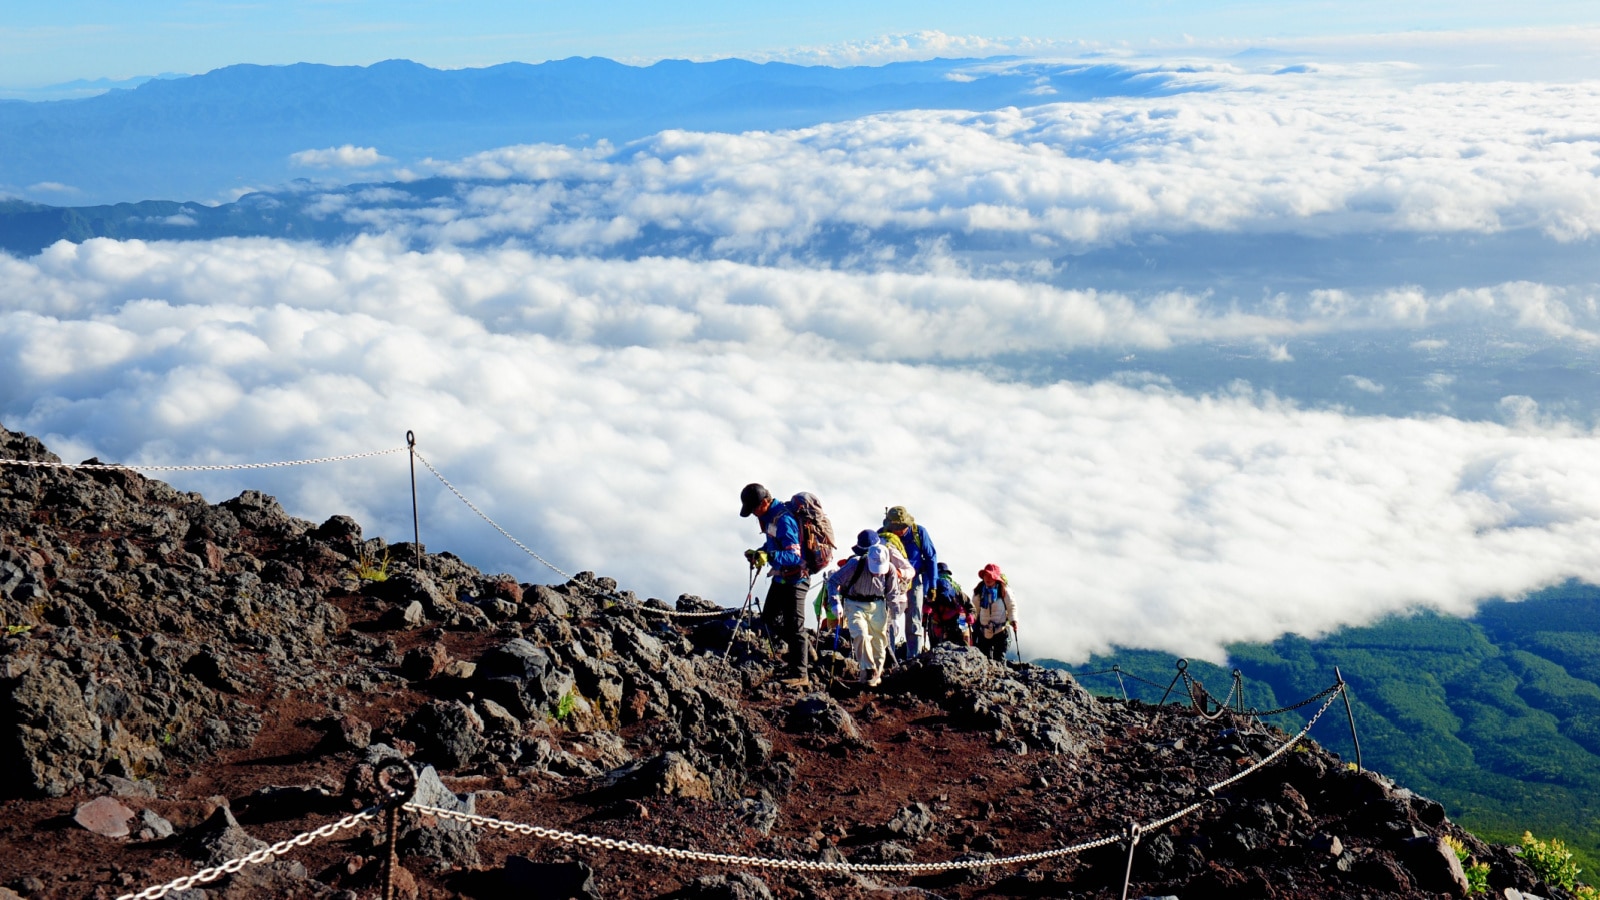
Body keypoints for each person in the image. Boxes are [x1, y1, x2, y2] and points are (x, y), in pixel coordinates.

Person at [740, 483, 812, 687]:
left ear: (764, 502)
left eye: (754, 508)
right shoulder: (770, 517)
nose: (754, 514)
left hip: (797, 579)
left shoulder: (784, 519)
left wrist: (768, 555)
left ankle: (801, 674)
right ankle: (805, 650)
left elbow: (794, 555)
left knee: (795, 627)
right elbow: (774, 543)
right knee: (770, 618)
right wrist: (760, 552)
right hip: (781, 578)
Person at [825, 530, 911, 686]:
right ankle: (869, 669)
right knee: (860, 634)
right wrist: (835, 603)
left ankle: (871, 679)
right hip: (855, 604)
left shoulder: (890, 569)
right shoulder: (855, 564)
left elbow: (892, 594)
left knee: (879, 644)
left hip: (878, 606)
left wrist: (896, 616)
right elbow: (832, 581)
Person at [881, 506, 938, 658]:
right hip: (891, 583)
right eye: (896, 527)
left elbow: (931, 557)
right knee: (890, 619)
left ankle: (913, 659)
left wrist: (932, 585)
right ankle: (889, 657)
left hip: (915, 581)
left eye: (902, 527)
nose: (899, 531)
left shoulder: (918, 532)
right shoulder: (883, 534)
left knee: (914, 620)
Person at [973, 563, 1016, 662]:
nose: (988, 578)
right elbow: (975, 609)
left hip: (1000, 630)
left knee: (999, 659)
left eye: (991, 576)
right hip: (984, 631)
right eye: (986, 575)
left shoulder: (1004, 590)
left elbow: (1011, 606)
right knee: (984, 659)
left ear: (996, 578)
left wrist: (1013, 620)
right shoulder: (979, 591)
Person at [924, 561, 974, 647]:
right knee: (962, 645)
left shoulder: (931, 591)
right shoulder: (957, 591)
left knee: (961, 644)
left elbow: (971, 608)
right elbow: (970, 607)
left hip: (951, 621)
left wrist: (971, 615)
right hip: (946, 622)